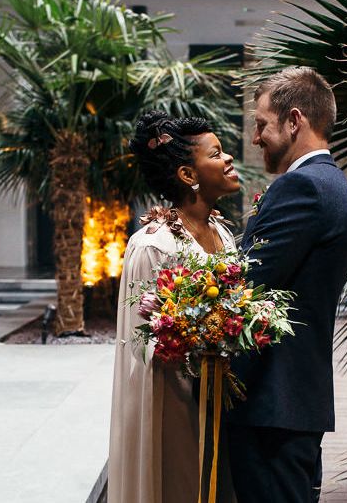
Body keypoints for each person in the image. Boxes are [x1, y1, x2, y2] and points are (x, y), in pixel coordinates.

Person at [226, 67, 347, 502]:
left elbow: (244, 282)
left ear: (294, 120)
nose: (255, 137)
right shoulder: (331, 183)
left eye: (262, 124)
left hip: (272, 404)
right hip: (294, 403)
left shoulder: (302, 186)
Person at [108, 111, 240, 503]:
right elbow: (139, 340)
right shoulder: (153, 245)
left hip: (222, 397)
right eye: (216, 153)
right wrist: (194, 338)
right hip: (172, 401)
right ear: (188, 175)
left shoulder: (224, 234)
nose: (229, 158)